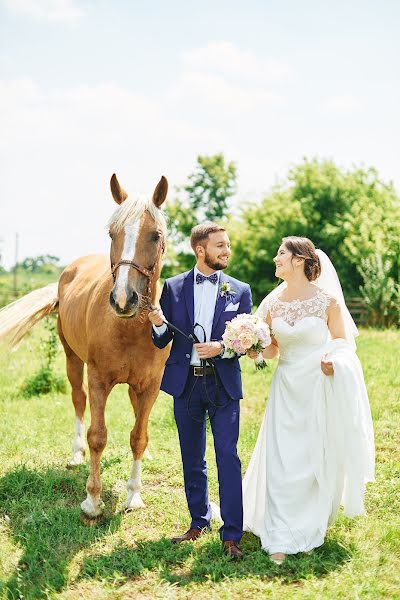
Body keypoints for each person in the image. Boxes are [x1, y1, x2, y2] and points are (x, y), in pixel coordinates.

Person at [244, 236, 375, 564]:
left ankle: (308, 523)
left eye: (281, 254)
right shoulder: (272, 304)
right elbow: (273, 350)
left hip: (317, 384)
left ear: (300, 260)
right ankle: (277, 532)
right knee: (282, 457)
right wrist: (254, 349)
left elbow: (344, 344)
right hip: (285, 386)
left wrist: (335, 363)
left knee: (310, 455)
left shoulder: (327, 301)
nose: (276, 259)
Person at [149, 223, 252, 559]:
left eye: (228, 245)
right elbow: (163, 340)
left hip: (223, 385)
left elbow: (246, 341)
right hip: (186, 384)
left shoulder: (240, 290)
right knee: (192, 458)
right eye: (220, 246)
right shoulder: (174, 287)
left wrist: (221, 346)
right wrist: (158, 324)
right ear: (200, 250)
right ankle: (198, 521)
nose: (226, 251)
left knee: (228, 456)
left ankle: (232, 533)